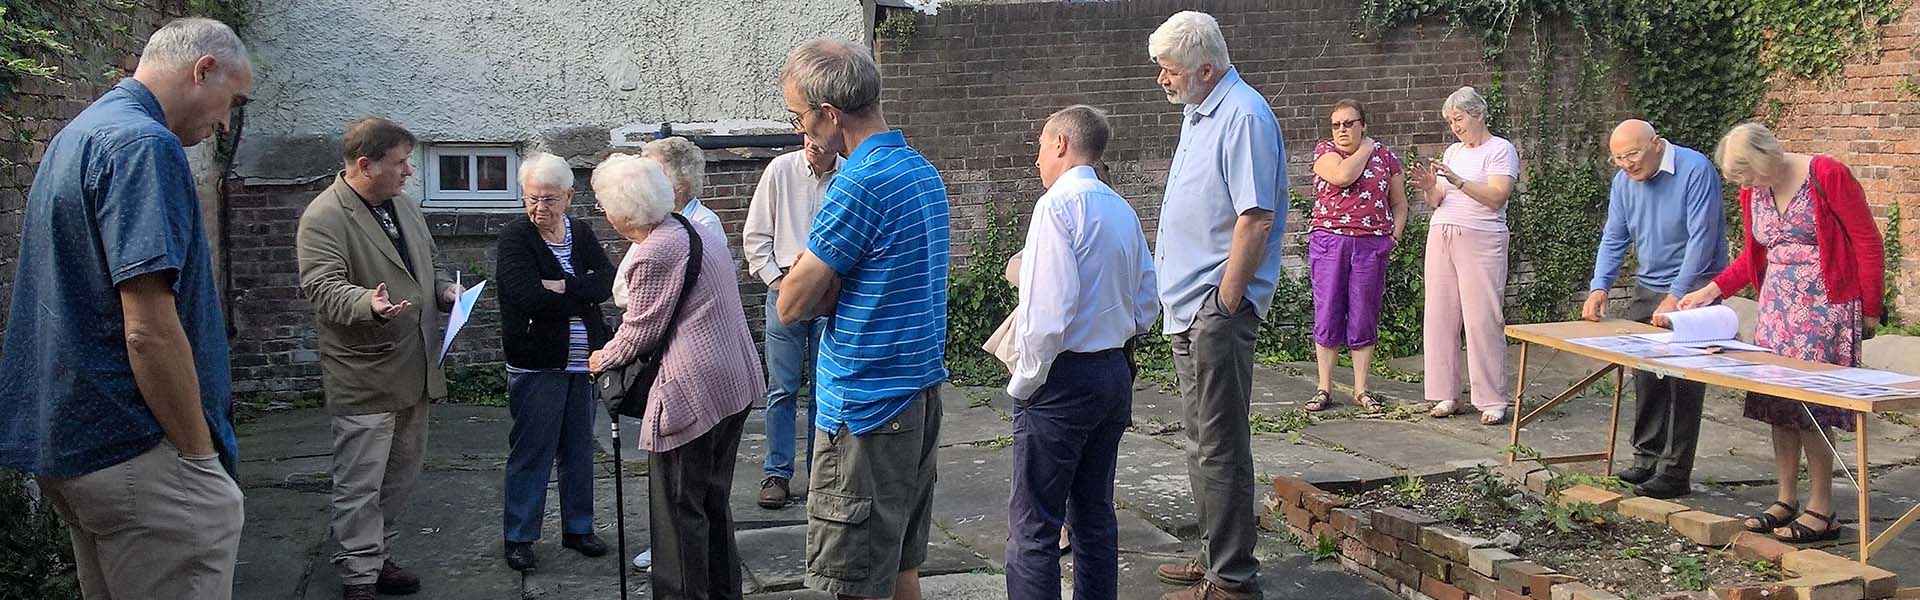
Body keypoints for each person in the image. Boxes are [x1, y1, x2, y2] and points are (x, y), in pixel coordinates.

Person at [0, 17, 249, 600]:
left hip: (75, 444)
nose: (225, 122)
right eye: (231, 102)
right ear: (202, 69)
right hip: (139, 450)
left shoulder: (79, 134)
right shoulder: (144, 145)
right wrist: (198, 457)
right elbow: (149, 330)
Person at [775, 37, 951, 600]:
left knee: (848, 583)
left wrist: (821, 277)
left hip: (866, 409)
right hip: (917, 397)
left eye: (799, 117)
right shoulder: (921, 170)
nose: (800, 131)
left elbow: (791, 303)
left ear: (831, 115)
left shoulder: (858, 184)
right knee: (900, 567)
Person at [1679, 122, 1884, 542]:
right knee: (1779, 405)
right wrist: (1712, 289)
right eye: (1739, 179)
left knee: (1813, 408)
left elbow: (1867, 240)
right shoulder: (1754, 190)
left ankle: (1822, 508)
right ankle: (1786, 498)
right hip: (1777, 309)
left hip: (1825, 307)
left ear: (1766, 158)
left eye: (1748, 175)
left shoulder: (1827, 174)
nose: (1746, 186)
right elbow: (1755, 254)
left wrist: (1872, 309)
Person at [1146, 11, 1286, 600]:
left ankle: (1231, 580)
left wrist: (1224, 306)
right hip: (1190, 306)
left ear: (1206, 68)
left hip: (1213, 311)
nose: (1162, 80)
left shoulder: (1244, 115)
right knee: (1201, 439)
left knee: (1220, 443)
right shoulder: (1201, 111)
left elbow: (1255, 218)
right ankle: (1213, 557)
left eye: (1169, 70)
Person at [297, 117, 462, 600]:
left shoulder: (404, 206)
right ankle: (358, 576)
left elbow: (425, 266)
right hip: (364, 372)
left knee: (401, 477)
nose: (409, 171)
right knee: (360, 482)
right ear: (364, 165)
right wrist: (367, 303)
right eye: (400, 162)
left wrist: (446, 291)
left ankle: (378, 554)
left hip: (415, 367)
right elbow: (322, 288)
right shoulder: (324, 217)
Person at [1002, 105, 1159, 600]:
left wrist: (1025, 382)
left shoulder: (1056, 206)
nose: (1035, 160)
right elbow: (1147, 304)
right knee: (1094, 516)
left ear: (1062, 144)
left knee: (1035, 526)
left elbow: (1048, 311)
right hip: (1112, 374)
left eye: (1040, 147)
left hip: (1061, 381)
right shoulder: (1122, 209)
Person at [588, 154, 762, 599]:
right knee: (711, 502)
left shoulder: (656, 251)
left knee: (679, 512)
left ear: (623, 212)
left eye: (602, 203)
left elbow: (639, 332)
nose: (602, 212)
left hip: (694, 393)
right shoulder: (691, 229)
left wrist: (600, 358)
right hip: (733, 383)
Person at [1582, 120, 1727, 500]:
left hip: (1695, 287)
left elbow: (1703, 237)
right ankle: (1645, 458)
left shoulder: (1694, 169)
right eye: (1618, 158)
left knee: (1685, 380)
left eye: (1632, 154)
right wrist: (1601, 285)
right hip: (1649, 283)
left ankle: (1676, 471)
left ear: (1656, 144)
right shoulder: (1623, 183)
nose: (1627, 164)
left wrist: (1677, 295)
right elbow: (1615, 235)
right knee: (1646, 375)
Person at [494, 152, 615, 571]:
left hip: (585, 363)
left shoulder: (579, 232)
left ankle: (578, 528)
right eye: (531, 199)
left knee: (579, 449)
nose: (539, 209)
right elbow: (526, 296)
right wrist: (580, 294)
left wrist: (563, 285)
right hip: (538, 362)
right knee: (533, 450)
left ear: (569, 196)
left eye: (548, 199)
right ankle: (519, 536)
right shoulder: (515, 238)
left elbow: (607, 282)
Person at [1410, 85, 1520, 426]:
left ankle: (1491, 398)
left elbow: (1497, 196)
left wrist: (1456, 181)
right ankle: (1446, 394)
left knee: (1482, 318)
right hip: (1442, 232)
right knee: (1440, 316)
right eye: (1450, 121)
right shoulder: (1453, 151)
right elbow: (1436, 200)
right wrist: (1431, 186)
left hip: (1482, 237)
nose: (1455, 127)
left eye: (1459, 119)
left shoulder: (1501, 150)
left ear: (1479, 114)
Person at [743, 138, 841, 509]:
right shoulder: (780, 171)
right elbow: (755, 237)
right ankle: (777, 472)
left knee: (825, 386)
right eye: (807, 137)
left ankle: (820, 472)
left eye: (821, 138)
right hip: (785, 284)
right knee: (782, 387)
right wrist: (779, 283)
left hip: (830, 291)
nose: (813, 144)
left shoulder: (849, 175)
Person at [1305, 99, 1407, 413]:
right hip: (1330, 243)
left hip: (1370, 244)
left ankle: (1361, 389)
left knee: (1364, 313)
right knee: (1328, 311)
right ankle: (1324, 387)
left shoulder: (1387, 158)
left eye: (1349, 123)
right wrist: (1366, 148)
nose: (1342, 130)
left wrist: (1394, 236)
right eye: (1336, 125)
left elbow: (1399, 202)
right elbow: (1342, 177)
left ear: (1362, 124)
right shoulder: (1325, 153)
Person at [613, 136, 725, 309]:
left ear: (682, 183)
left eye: (655, 175)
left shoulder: (705, 223)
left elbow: (695, 292)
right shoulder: (653, 221)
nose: (646, 183)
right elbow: (620, 290)